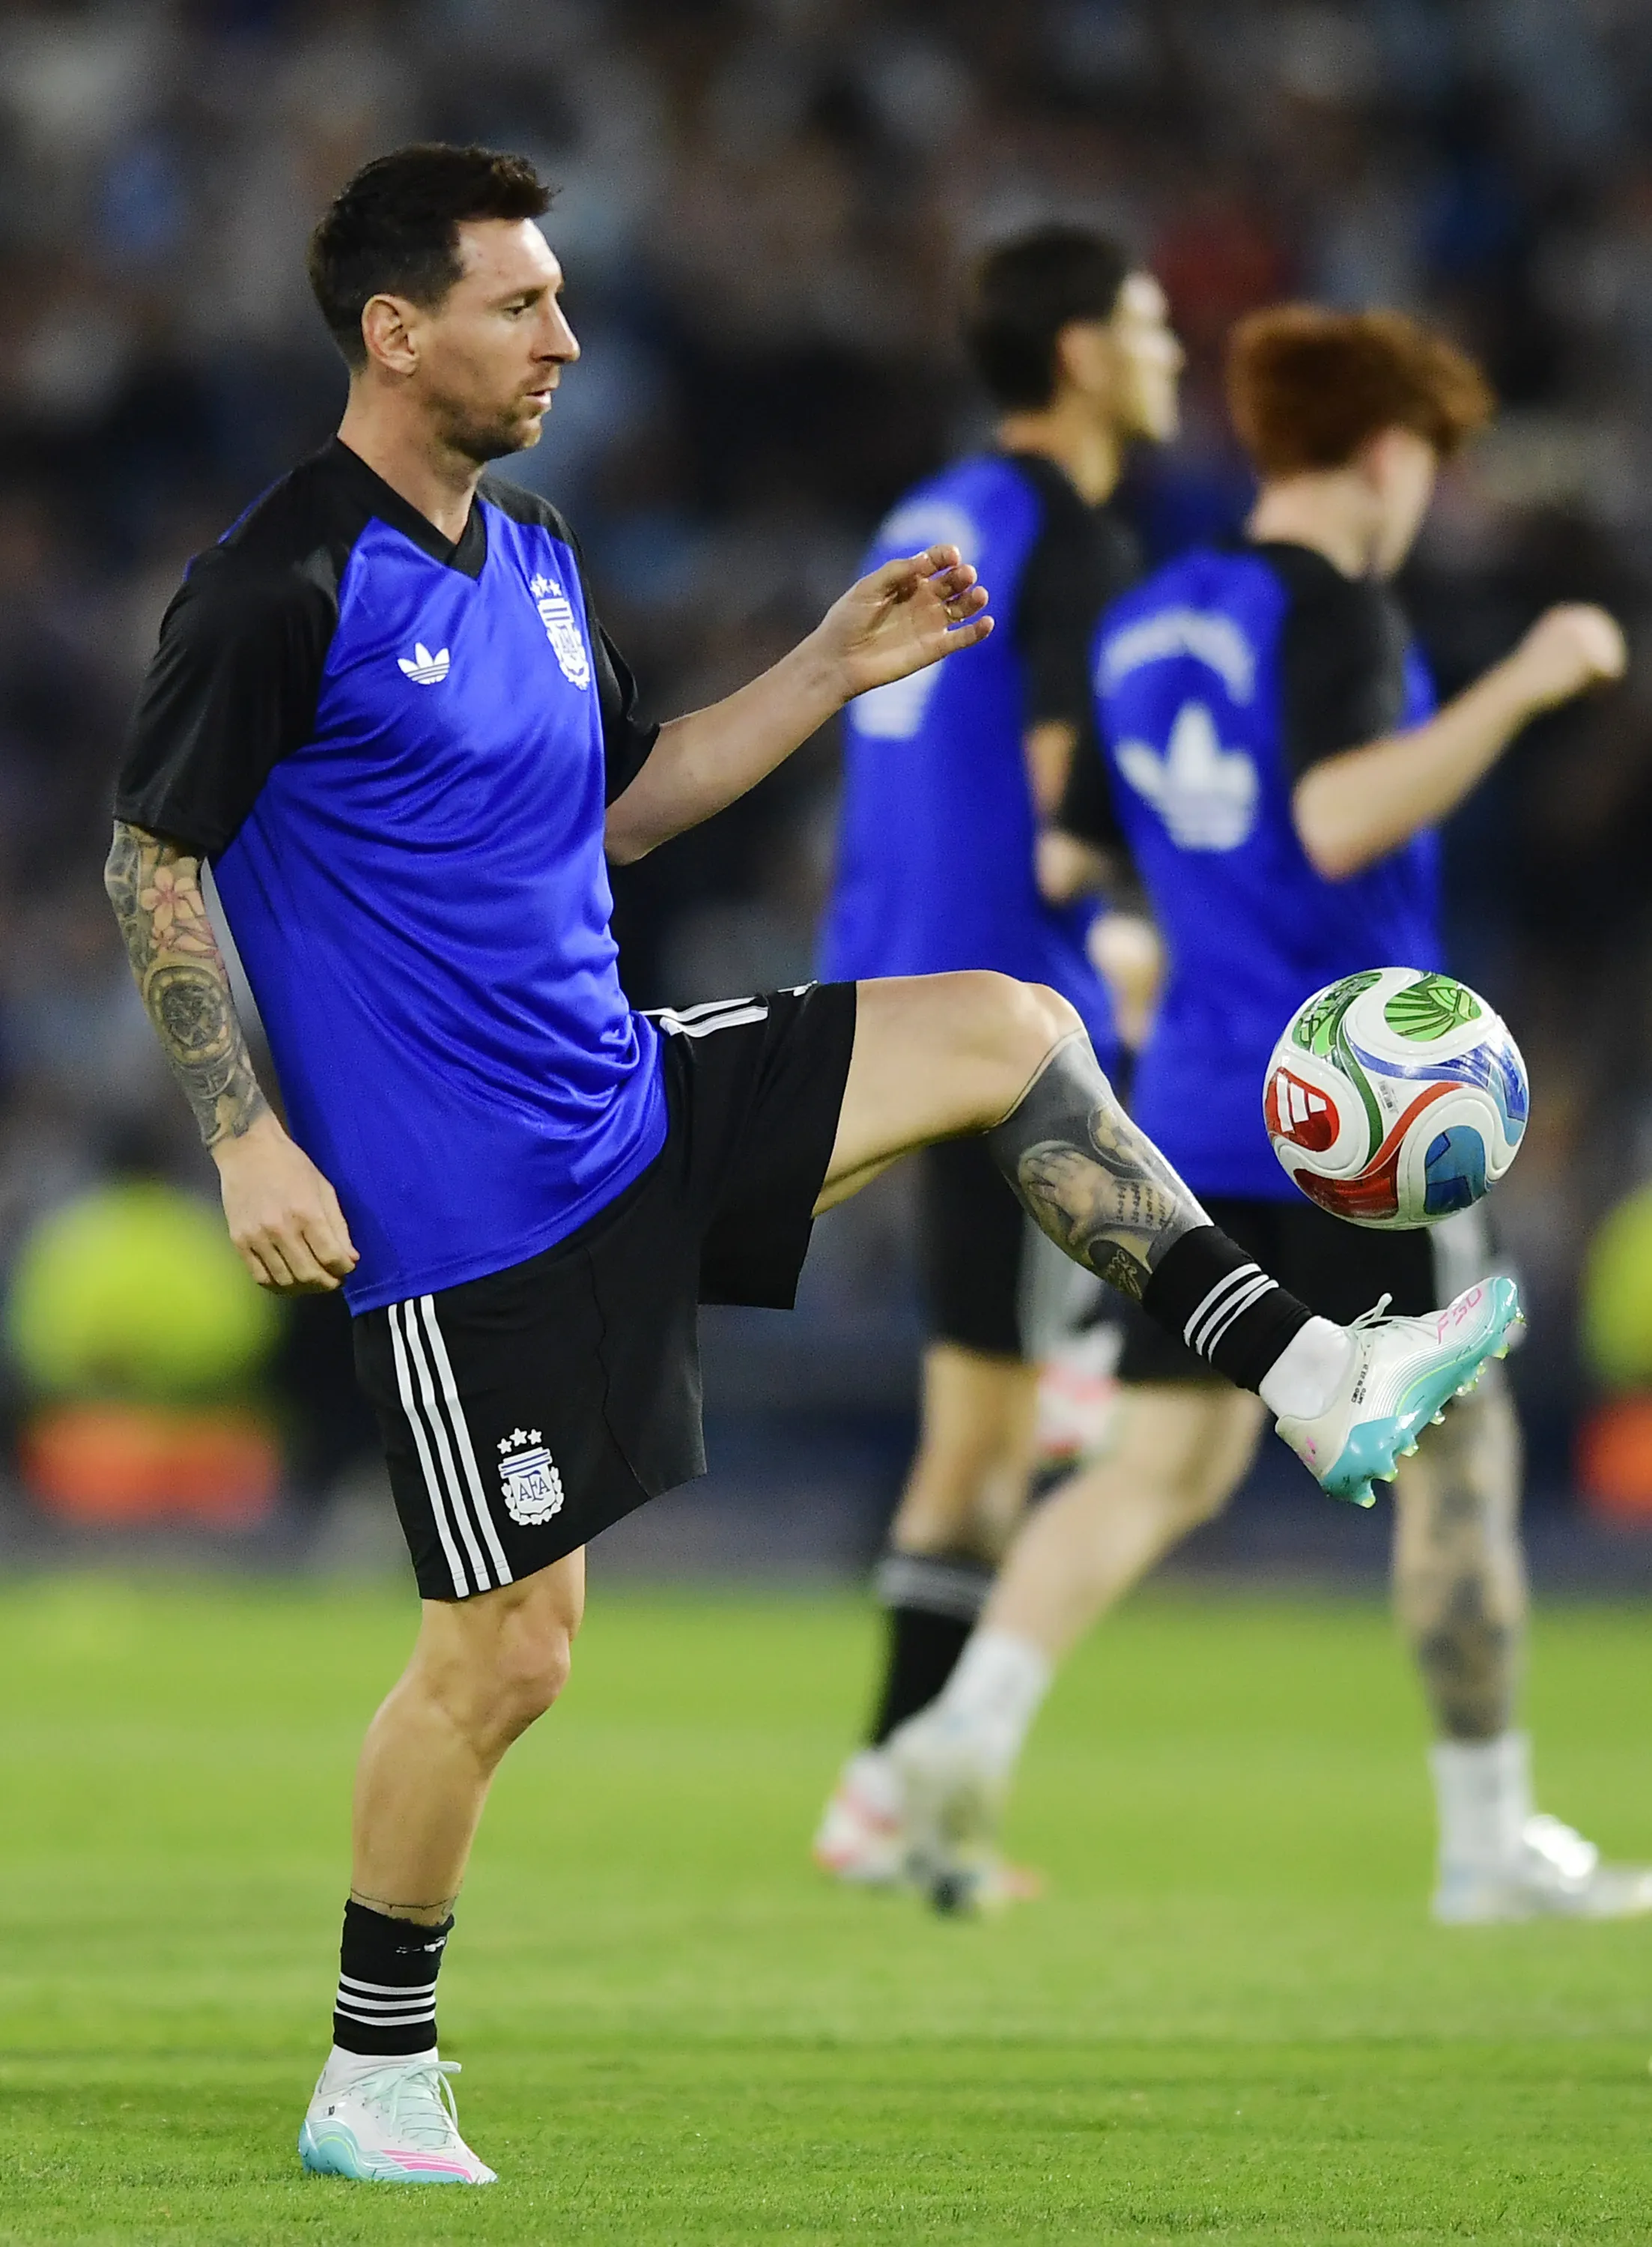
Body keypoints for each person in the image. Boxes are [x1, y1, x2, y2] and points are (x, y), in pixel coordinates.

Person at [106, 157, 1519, 2189]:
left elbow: (625, 807)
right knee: (507, 1661)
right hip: (460, 1213)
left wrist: (826, 670)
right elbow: (150, 858)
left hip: (624, 1098)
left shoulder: (536, 554)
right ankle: (371, 2070)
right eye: (518, 305)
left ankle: (1313, 1374)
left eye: (559, 298)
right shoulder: (277, 582)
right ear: (394, 333)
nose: (564, 338)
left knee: (1008, 1028)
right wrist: (246, 1138)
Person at [885, 305, 1649, 1926]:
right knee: (1460, 1461)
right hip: (1363, 1118)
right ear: (1387, 449)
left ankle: (960, 1728)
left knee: (1159, 1461)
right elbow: (1335, 818)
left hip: (1190, 1105)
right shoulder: (1336, 613)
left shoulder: (1147, 619)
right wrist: (1522, 684)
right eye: (1428, 463)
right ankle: (1486, 1841)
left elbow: (1075, 862)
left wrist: (1172, 964)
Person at [811, 227, 1179, 1895]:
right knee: (1045, 1425)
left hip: (876, 994)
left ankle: (879, 1802)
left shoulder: (929, 509)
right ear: (1081, 353)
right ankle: (896, 1792)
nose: (1171, 355)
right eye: (1149, 325)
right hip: (1002, 1026)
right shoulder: (1075, 540)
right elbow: (1058, 830)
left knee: (970, 1439)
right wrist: (1159, 930)